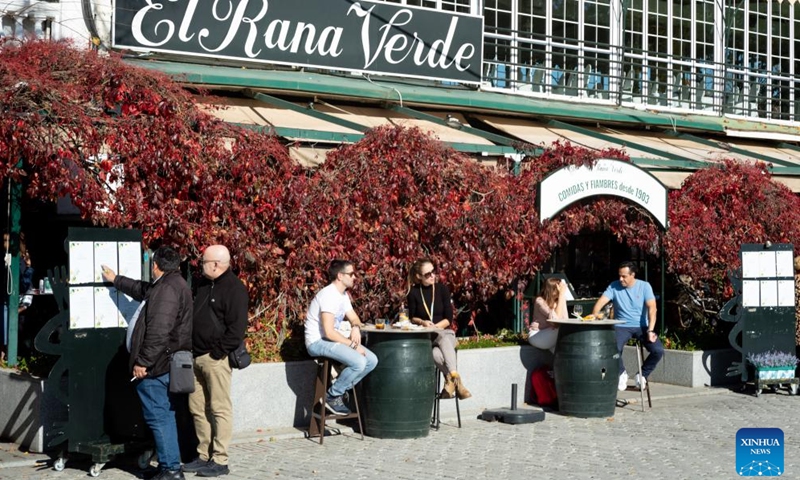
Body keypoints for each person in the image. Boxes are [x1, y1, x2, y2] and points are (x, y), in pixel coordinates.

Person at [101, 246, 193, 480]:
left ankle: (171, 469)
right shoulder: (168, 285)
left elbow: (159, 331)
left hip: (156, 366)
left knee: (159, 416)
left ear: (155, 265)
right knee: (164, 414)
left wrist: (143, 362)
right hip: (162, 363)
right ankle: (170, 465)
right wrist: (116, 279)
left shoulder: (167, 290)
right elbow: (142, 289)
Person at [183, 245, 249, 478]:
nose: (200, 266)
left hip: (215, 359)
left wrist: (217, 353)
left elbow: (237, 329)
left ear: (216, 264)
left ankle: (220, 459)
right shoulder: (202, 284)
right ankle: (203, 454)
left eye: (203, 262)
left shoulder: (235, 289)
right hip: (196, 356)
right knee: (197, 408)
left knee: (220, 408)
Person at [305, 259, 377, 415]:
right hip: (318, 342)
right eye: (351, 274)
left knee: (372, 360)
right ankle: (333, 396)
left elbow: (354, 318)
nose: (354, 277)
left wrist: (356, 328)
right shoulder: (328, 295)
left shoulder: (343, 295)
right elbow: (329, 332)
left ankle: (340, 388)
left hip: (331, 340)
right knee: (359, 361)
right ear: (340, 276)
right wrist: (353, 345)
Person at [591, 261, 664, 392]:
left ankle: (642, 375)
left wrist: (650, 330)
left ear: (632, 275)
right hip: (621, 325)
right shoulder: (614, 286)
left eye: (624, 276)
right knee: (613, 348)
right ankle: (621, 373)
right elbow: (600, 302)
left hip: (642, 326)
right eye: (619, 275)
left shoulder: (644, 286)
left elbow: (652, 309)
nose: (621, 279)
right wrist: (594, 315)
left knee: (658, 350)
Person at [406, 258, 471, 400]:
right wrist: (423, 322)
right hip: (426, 336)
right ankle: (456, 381)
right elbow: (412, 317)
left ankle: (451, 377)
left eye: (433, 272)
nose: (432, 276)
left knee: (436, 352)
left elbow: (449, 318)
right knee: (435, 351)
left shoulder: (442, 289)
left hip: (444, 332)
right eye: (427, 274)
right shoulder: (414, 293)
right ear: (419, 276)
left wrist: (436, 327)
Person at [528, 277, 568, 353]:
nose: (560, 290)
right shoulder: (540, 301)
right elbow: (556, 320)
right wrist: (561, 295)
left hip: (552, 334)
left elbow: (565, 318)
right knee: (561, 330)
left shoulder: (561, 299)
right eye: (558, 288)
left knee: (563, 352)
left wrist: (562, 298)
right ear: (551, 290)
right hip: (537, 335)